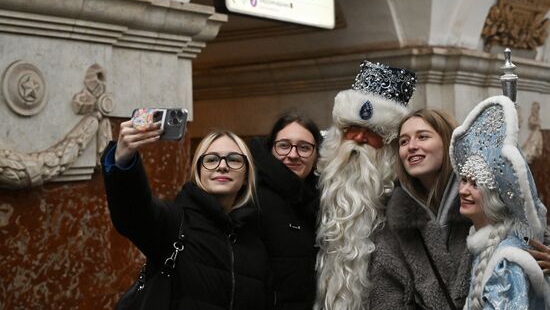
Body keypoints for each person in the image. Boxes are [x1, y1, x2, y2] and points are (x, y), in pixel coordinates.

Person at [101, 120, 271, 310]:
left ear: (247, 174)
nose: (222, 166)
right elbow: (134, 213)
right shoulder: (175, 222)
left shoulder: (255, 239)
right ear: (198, 170)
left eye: (234, 159)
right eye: (212, 159)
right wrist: (124, 161)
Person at [315, 61, 417, 310]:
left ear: (389, 142)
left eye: (372, 131)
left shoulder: (406, 198)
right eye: (353, 128)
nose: (359, 138)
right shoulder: (315, 187)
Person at [366, 108, 472, 309]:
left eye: (422, 137)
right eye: (404, 141)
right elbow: (385, 295)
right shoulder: (394, 221)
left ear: (450, 142)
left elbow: (524, 238)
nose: (411, 146)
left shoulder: (481, 200)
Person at [450, 95, 549, 309]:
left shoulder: (507, 261)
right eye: (464, 180)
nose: (464, 190)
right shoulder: (483, 248)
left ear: (494, 198)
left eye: (476, 185)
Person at [248, 111, 322, 310]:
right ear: (271, 149)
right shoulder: (251, 197)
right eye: (284, 146)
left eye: (304, 147)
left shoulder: (322, 202)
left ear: (316, 156)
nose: (293, 154)